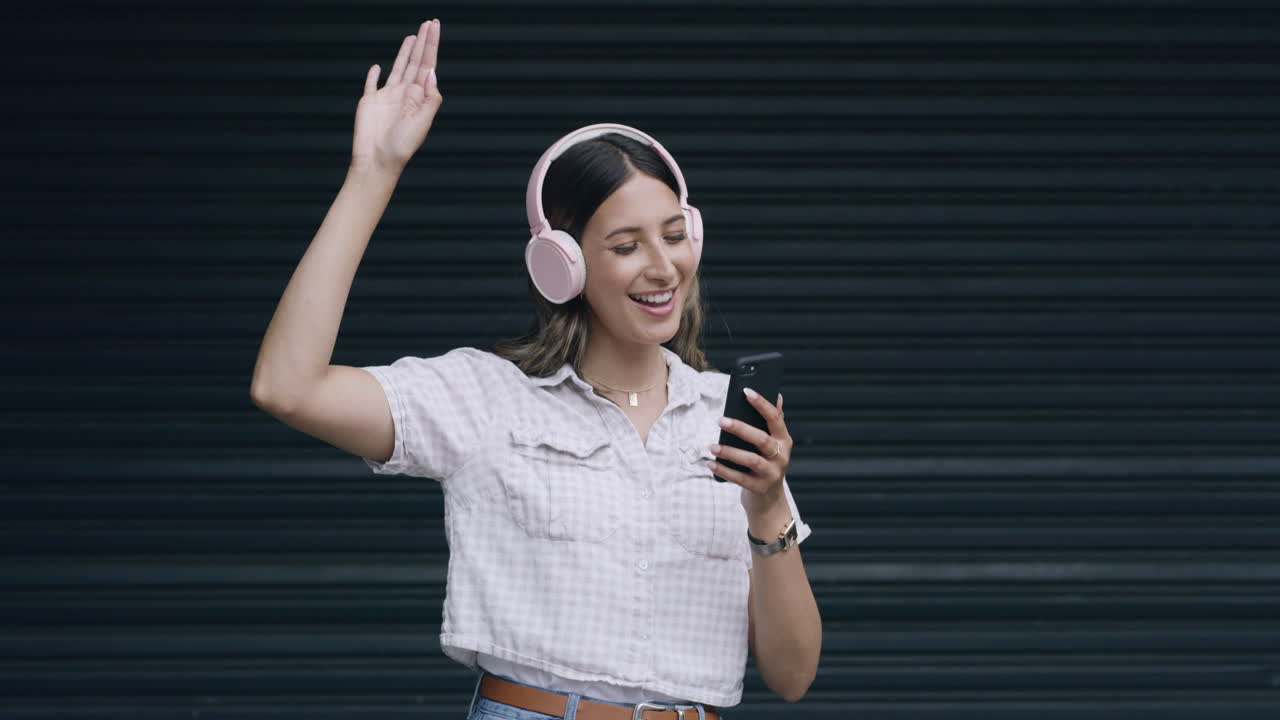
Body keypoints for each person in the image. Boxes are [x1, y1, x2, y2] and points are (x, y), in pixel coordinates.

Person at [249, 19, 821, 719]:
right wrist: (374, 173)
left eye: (674, 236)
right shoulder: (487, 400)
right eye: (626, 245)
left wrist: (766, 506)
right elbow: (287, 386)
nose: (663, 266)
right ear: (564, 264)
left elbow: (792, 676)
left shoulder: (723, 419)